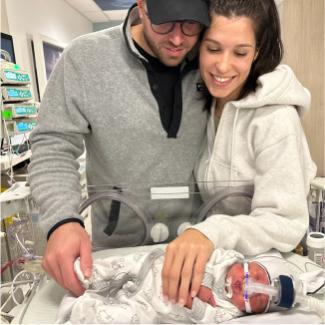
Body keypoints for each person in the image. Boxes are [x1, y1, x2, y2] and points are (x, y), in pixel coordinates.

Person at [28, 0, 210, 297]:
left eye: (190, 24)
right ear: (142, 5)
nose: (178, 39)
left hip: (197, 247)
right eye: (164, 22)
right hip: (116, 253)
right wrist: (62, 219)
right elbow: (53, 143)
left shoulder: (213, 56)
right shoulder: (85, 58)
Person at [161, 0, 317, 309]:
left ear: (257, 52)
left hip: (264, 276)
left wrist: (211, 232)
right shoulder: (204, 103)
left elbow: (285, 222)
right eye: (214, 49)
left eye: (240, 52)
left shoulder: (275, 119)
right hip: (223, 267)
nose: (222, 66)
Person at [56, 247, 299, 323]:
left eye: (253, 297)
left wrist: (194, 303)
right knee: (116, 266)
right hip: (150, 267)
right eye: (254, 275)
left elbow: (208, 318)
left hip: (152, 304)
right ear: (248, 263)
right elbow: (204, 255)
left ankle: (84, 311)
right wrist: (201, 281)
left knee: (120, 318)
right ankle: (83, 274)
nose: (245, 286)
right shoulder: (227, 259)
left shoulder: (229, 311)